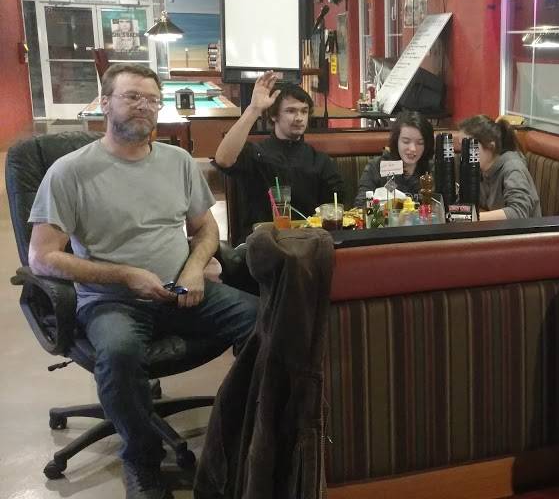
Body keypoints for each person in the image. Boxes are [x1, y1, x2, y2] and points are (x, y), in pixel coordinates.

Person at [27, 63, 259, 499]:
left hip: (182, 291)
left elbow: (205, 228)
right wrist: (125, 275)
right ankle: (142, 459)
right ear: (105, 103)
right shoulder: (69, 172)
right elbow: (42, 257)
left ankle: (241, 434)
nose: (145, 106)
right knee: (119, 353)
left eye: (153, 99)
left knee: (263, 321)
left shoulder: (178, 162)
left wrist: (194, 268)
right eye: (132, 96)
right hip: (111, 301)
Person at [214, 70, 345, 241]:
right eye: (291, 111)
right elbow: (223, 159)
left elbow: (337, 207)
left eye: (304, 111)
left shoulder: (320, 161)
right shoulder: (256, 154)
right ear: (274, 115)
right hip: (263, 243)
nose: (299, 118)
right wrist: (254, 109)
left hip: (309, 243)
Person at [457, 115, 541, 221]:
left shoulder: (513, 168)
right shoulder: (478, 169)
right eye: (462, 147)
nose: (463, 153)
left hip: (523, 230)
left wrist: (470, 217)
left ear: (491, 146)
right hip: (494, 229)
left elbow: (519, 212)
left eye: (469, 147)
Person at [354, 111, 434, 208]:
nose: (413, 148)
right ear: (396, 141)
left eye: (420, 143)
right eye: (406, 141)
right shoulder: (377, 166)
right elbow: (361, 204)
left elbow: (443, 205)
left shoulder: (433, 169)